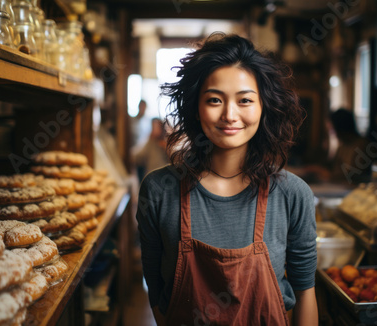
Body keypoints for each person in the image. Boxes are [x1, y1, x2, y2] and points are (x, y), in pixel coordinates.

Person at [136, 33, 318, 326]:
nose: (230, 115)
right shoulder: (159, 190)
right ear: (196, 107)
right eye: (215, 100)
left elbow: (305, 291)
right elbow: (157, 289)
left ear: (264, 107)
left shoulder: (292, 194)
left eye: (245, 100)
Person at [132, 118, 169, 182]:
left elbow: (174, 159)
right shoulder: (150, 142)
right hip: (151, 178)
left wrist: (164, 146)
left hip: (164, 178)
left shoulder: (167, 141)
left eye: (157, 127)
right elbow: (137, 156)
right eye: (153, 127)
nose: (155, 130)